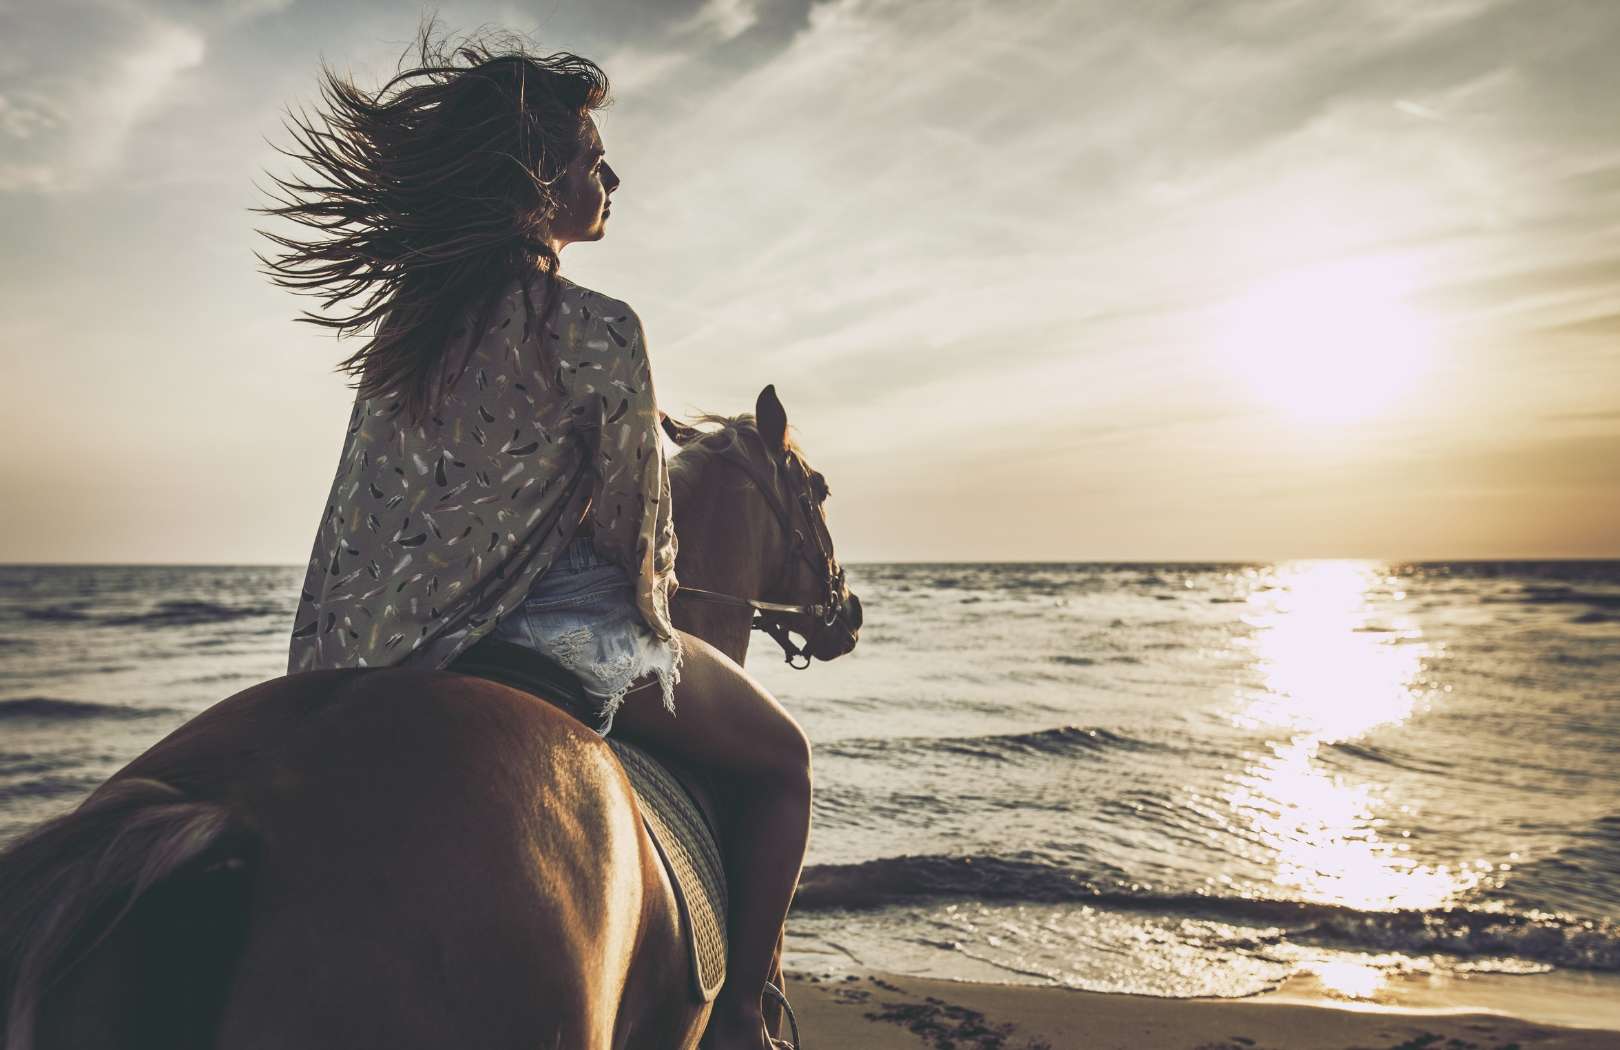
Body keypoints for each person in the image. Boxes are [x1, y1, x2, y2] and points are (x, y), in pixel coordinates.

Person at [260, 23, 809, 1050]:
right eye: (593, 157)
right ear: (543, 180)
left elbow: (361, 519)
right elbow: (637, 544)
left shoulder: (407, 339)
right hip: (548, 646)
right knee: (782, 758)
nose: (612, 175)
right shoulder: (600, 328)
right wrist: (659, 602)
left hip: (385, 656)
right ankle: (745, 1013)